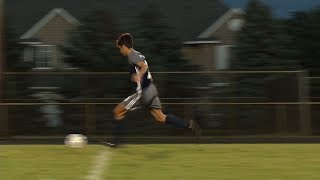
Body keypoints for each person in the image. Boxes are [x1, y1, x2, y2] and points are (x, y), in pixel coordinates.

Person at [106, 33, 201, 147]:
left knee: (117, 111)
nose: (120, 51)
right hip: (152, 89)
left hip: (143, 93)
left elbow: (144, 67)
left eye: (120, 48)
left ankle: (117, 143)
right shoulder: (138, 54)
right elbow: (146, 67)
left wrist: (139, 76)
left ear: (124, 46)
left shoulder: (132, 56)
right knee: (161, 117)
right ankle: (190, 125)